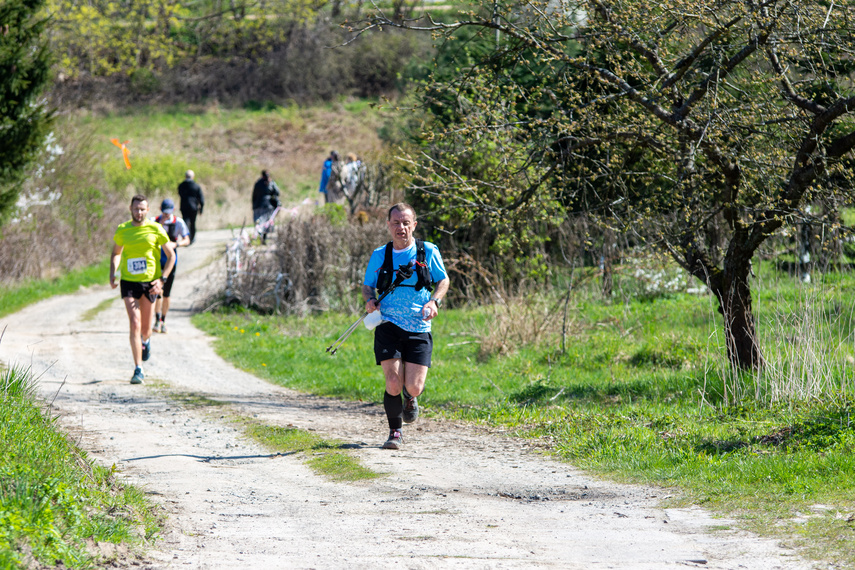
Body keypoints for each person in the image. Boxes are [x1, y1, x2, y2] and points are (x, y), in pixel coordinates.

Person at [362, 203, 450, 450]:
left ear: (414, 225)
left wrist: (435, 301)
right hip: (388, 324)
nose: (400, 228)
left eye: (405, 223)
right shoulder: (380, 254)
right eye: (396, 223)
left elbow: (443, 280)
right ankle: (395, 433)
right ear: (388, 225)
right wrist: (370, 300)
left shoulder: (428, 251)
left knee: (413, 386)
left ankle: (411, 397)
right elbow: (368, 286)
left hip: (419, 327)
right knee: (392, 382)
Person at [110, 195, 175, 385]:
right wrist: (113, 273)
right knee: (134, 323)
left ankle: (146, 342)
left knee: (146, 330)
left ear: (147, 210)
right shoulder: (123, 230)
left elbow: (171, 256)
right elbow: (116, 253)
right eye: (136, 208)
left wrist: (162, 280)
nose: (138, 212)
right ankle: (138, 369)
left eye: (142, 209)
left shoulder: (156, 229)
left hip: (149, 283)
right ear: (130, 208)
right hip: (129, 282)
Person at [153, 198, 190, 334]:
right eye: (164, 212)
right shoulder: (153, 221)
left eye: (169, 212)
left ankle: (163, 320)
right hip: (156, 260)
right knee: (157, 292)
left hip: (170, 261)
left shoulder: (178, 222)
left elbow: (187, 239)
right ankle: (157, 320)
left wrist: (176, 244)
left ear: (173, 210)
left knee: (166, 294)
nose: (166, 215)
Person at [252, 170, 281, 244]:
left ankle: (261, 236)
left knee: (260, 222)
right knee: (267, 223)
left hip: (258, 206)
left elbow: (254, 196)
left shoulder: (258, 183)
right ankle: (263, 237)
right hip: (268, 206)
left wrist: (254, 206)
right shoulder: (271, 183)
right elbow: (277, 193)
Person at [178, 170, 204, 244]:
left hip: (184, 207)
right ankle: (192, 238)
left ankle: (187, 238)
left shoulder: (181, 185)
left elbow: (180, 194)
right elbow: (201, 199)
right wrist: (201, 209)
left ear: (185, 176)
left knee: (185, 222)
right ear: (193, 177)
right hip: (193, 208)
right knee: (193, 223)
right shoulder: (196, 186)